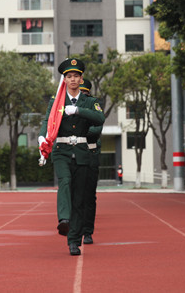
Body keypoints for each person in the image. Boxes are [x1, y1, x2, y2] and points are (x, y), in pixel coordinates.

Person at [38, 58, 105, 256]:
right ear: (64, 80)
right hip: (62, 150)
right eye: (69, 76)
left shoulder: (90, 102)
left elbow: (100, 119)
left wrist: (78, 110)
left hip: (83, 152)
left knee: (80, 199)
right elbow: (48, 120)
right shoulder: (56, 101)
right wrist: (43, 137)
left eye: (76, 76)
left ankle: (73, 241)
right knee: (65, 181)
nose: (73, 79)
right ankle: (64, 220)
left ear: (81, 78)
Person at [79, 79, 103, 245]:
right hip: (74, 153)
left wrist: (80, 131)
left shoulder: (93, 106)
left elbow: (96, 129)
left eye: (84, 92)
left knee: (89, 197)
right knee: (74, 196)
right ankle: (76, 229)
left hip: (90, 152)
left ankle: (87, 232)